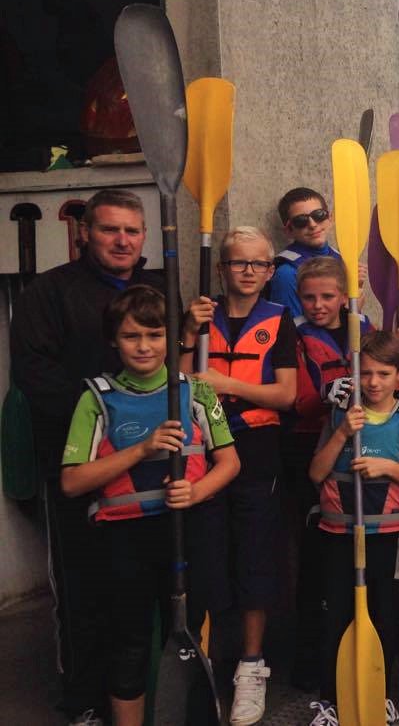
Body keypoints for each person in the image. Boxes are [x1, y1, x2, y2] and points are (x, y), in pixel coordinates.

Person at [10, 188, 165, 725]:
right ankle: (83, 701)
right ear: (85, 234)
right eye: (109, 229)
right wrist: (105, 416)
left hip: (155, 472)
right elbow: (33, 374)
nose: (122, 240)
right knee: (83, 590)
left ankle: (150, 696)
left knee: (149, 595)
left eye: (132, 230)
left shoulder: (158, 290)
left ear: (144, 235)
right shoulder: (49, 293)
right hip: (81, 466)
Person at [59, 286, 239, 726]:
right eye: (131, 336)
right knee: (130, 642)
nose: (144, 346)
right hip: (126, 541)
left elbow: (230, 462)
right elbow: (71, 482)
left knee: (189, 637)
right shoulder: (95, 399)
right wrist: (142, 449)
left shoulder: (196, 392)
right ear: (114, 342)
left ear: (171, 338)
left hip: (187, 531)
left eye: (155, 335)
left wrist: (197, 492)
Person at [181, 226, 298, 726]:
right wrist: (188, 334)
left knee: (254, 557)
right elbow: (179, 380)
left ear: (270, 271)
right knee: (205, 553)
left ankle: (251, 667)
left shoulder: (279, 319)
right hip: (204, 449)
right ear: (223, 268)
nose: (248, 272)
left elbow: (286, 395)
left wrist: (224, 382)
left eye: (258, 264)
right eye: (238, 263)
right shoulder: (199, 319)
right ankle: (205, 659)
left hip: (254, 449)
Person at [307, 330, 399, 724]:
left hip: (386, 539)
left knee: (384, 616)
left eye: (383, 374)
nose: (373, 383)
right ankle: (331, 700)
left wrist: (390, 468)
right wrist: (344, 433)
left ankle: (383, 694)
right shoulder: (338, 416)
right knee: (335, 618)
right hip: (339, 535)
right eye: (365, 374)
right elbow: (316, 473)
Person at [290, 256, 372, 689]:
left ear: (344, 295)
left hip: (361, 449)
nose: (318, 305)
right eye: (309, 297)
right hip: (315, 448)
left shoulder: (365, 328)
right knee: (317, 559)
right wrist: (324, 394)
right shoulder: (296, 335)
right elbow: (297, 398)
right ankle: (312, 663)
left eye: (327, 296)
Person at [268, 187, 341, 317]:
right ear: (289, 230)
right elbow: (292, 330)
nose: (312, 225)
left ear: (329, 218)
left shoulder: (342, 260)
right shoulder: (287, 274)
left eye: (319, 215)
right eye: (301, 221)